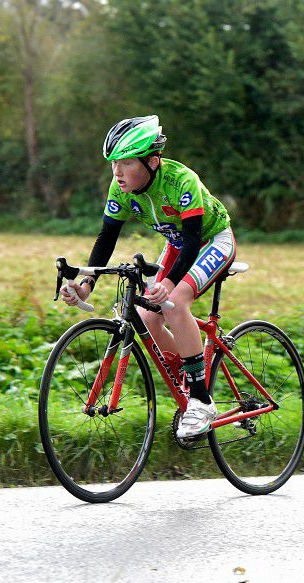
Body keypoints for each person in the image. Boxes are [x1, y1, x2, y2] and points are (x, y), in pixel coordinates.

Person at [61, 115, 236, 439]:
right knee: (147, 315)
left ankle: (201, 400)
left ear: (152, 161)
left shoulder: (181, 180)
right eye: (114, 163)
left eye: (126, 163)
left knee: (174, 301)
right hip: (177, 245)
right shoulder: (121, 189)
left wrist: (168, 284)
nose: (117, 172)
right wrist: (86, 285)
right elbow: (106, 238)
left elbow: (192, 241)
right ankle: (189, 372)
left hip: (211, 241)